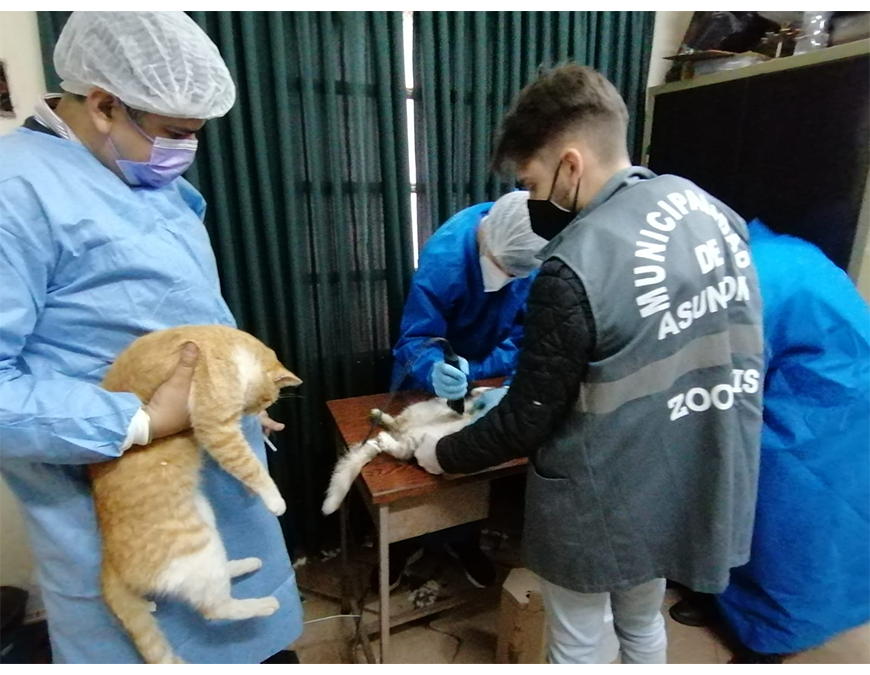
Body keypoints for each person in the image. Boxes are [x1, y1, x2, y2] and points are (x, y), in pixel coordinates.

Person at [414, 63, 765, 665]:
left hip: (602, 496)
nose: (530, 202)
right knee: (642, 623)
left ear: (570, 165)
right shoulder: (711, 211)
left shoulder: (576, 258)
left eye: (530, 181)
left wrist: (437, 452)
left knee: (578, 642)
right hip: (686, 475)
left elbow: (527, 420)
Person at [0, 11, 302, 664]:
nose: (185, 151)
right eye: (174, 133)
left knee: (261, 641)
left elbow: (187, 316)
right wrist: (139, 420)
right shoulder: (15, 190)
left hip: (225, 507)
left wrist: (235, 398)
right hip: (129, 525)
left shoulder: (153, 185)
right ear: (104, 104)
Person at [669, 219, 870, 664]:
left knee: (785, 521)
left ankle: (772, 633)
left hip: (812, 412)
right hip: (842, 395)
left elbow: (723, 382)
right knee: (830, 522)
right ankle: (728, 600)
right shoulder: (781, 249)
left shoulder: (745, 281)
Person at [381, 191, 545, 592]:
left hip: (480, 368)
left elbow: (526, 334)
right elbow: (415, 337)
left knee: (465, 460)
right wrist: (432, 368)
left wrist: (494, 379)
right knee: (411, 462)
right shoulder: (445, 260)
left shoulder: (533, 248)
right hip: (429, 370)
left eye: (516, 275)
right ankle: (402, 546)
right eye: (503, 270)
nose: (508, 280)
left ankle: (463, 541)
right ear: (485, 242)